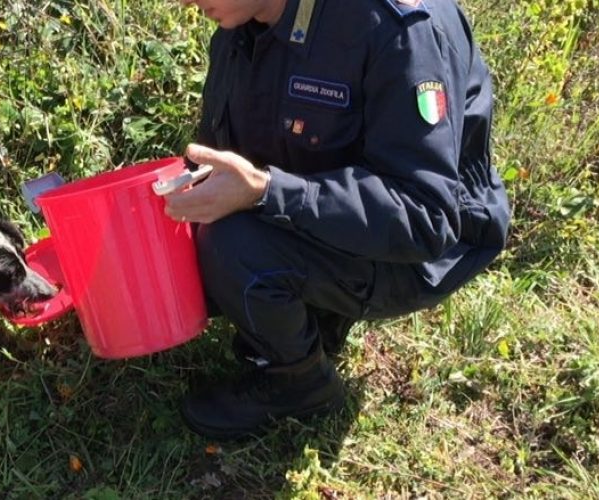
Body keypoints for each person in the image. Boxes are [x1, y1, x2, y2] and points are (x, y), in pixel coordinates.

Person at [165, 0, 510, 440]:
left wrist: (268, 192)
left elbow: (428, 217)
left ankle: (299, 381)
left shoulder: (393, 29)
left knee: (229, 243)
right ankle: (316, 313)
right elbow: (228, 154)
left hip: (428, 250)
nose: (186, 2)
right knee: (190, 237)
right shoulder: (240, 27)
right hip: (341, 214)